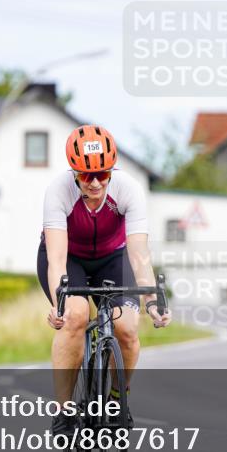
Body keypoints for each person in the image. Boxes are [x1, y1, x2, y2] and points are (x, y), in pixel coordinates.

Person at [37, 124, 169, 433]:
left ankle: (115, 399)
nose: (95, 183)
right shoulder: (58, 192)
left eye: (103, 174)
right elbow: (56, 258)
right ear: (74, 173)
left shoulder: (129, 189)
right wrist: (60, 304)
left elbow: (138, 255)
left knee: (126, 327)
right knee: (76, 315)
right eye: (86, 175)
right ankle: (64, 411)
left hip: (113, 258)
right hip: (70, 257)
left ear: (112, 170)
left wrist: (152, 302)